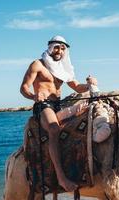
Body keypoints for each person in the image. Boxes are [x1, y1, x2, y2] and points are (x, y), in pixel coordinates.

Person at [20, 35, 97, 192]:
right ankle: (62, 178)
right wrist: (33, 96)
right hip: (43, 106)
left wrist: (89, 84)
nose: (59, 51)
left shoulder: (62, 69)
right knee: (54, 129)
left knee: (87, 117)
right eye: (56, 47)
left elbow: (76, 87)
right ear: (50, 47)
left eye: (62, 48)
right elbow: (24, 87)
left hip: (58, 105)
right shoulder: (38, 65)